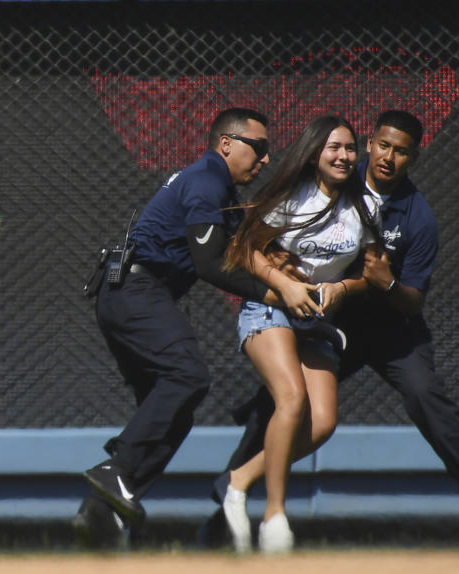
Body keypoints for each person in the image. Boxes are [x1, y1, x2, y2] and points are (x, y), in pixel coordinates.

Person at [207, 110, 459, 549]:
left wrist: (384, 282)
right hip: (329, 321)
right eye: (382, 146)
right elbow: (260, 235)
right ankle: (223, 514)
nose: (388, 157)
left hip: (391, 328)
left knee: (427, 401)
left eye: (402, 151)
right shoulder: (336, 179)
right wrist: (278, 264)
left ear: (413, 157)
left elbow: (413, 297)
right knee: (279, 405)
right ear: (370, 145)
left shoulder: (416, 216)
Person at [76, 108, 323, 549]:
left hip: (127, 295)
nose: (265, 159)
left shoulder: (217, 186)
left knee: (174, 409)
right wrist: (275, 294)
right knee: (186, 376)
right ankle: (115, 473)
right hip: (137, 291)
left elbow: (242, 252)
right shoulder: (207, 178)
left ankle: (104, 512)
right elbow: (211, 263)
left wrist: (285, 280)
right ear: (226, 143)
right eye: (259, 147)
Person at [215, 115, 381, 554]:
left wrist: (344, 287)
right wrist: (285, 285)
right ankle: (275, 515)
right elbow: (243, 251)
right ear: (314, 153)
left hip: (318, 323)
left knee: (323, 422)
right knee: (291, 400)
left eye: (349, 148)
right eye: (333, 148)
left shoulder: (365, 206)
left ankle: (237, 481)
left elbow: (371, 275)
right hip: (270, 310)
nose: (344, 156)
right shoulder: (291, 200)